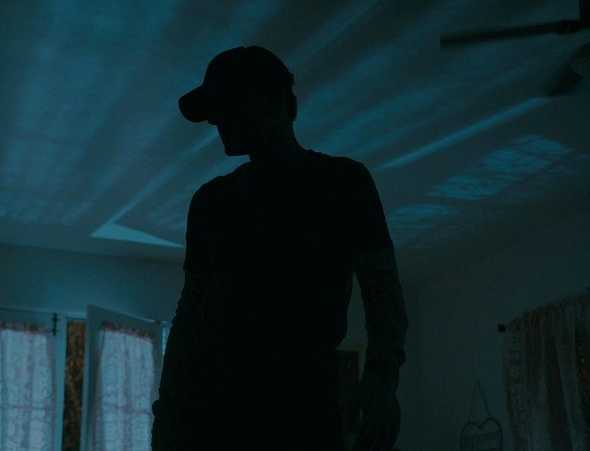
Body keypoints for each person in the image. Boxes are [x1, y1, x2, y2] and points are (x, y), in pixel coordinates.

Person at [151, 45, 408, 451]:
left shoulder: (343, 183)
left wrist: (380, 377)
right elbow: (190, 314)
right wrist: (168, 410)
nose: (215, 121)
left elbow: (383, 293)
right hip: (218, 409)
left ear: (268, 102)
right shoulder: (211, 202)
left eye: (225, 107)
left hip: (299, 405)